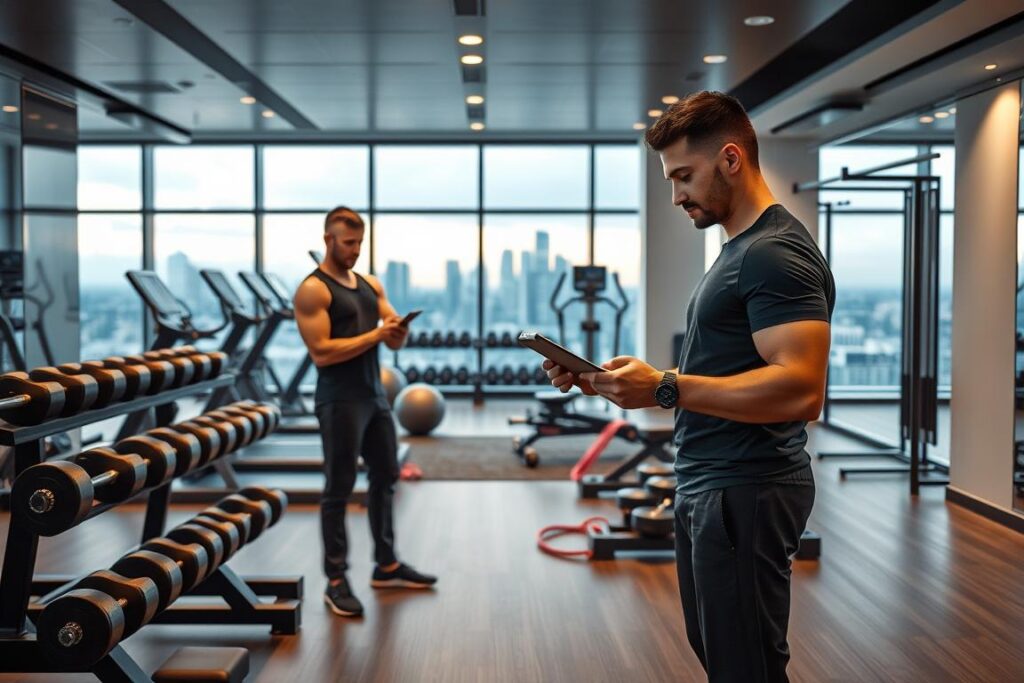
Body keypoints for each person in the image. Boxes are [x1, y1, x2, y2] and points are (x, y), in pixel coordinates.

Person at [545, 91, 835, 682]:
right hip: (714, 481)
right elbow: (727, 367)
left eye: (684, 176)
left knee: (745, 666)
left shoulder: (774, 254)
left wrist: (667, 388)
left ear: (730, 159)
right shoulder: (741, 248)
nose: (676, 195)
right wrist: (621, 382)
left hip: (746, 486)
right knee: (718, 651)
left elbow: (802, 391)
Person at [293, 206, 437, 618]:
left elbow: (392, 343)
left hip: (375, 396)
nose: (355, 250)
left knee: (386, 476)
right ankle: (335, 580)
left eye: (360, 242)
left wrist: (397, 330)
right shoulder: (313, 290)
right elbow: (321, 353)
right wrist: (376, 333)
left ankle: (386, 565)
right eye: (348, 242)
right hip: (338, 399)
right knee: (338, 489)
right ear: (328, 241)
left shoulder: (370, 284)